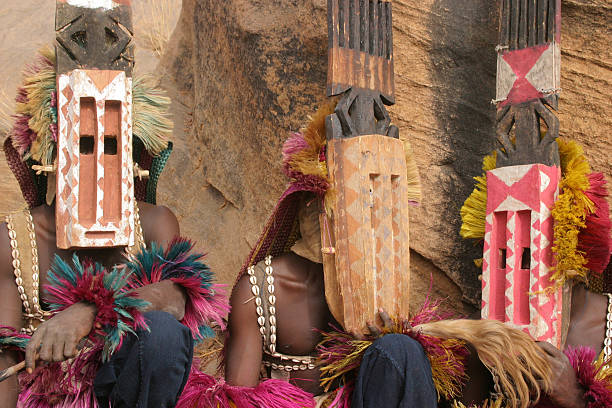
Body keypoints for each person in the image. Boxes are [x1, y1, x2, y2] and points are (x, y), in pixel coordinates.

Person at [0, 2, 228, 407]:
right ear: (51, 151)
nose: (100, 163)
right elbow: (3, 357)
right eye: (83, 143)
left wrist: (87, 312)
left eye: (112, 145)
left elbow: (176, 299)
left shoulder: (154, 223)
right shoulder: (16, 240)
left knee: (162, 335)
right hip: (50, 398)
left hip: (130, 394)